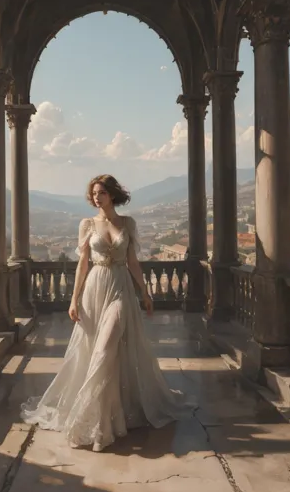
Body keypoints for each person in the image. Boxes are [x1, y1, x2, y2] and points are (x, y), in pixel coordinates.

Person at [21, 174, 194, 452]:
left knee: (106, 347)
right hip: (94, 289)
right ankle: (103, 421)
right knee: (97, 351)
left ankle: (99, 421)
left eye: (101, 193)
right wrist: (74, 299)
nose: (97, 198)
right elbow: (82, 265)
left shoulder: (128, 223)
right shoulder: (87, 224)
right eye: (94, 194)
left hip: (121, 287)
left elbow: (133, 262)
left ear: (112, 195)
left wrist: (145, 292)